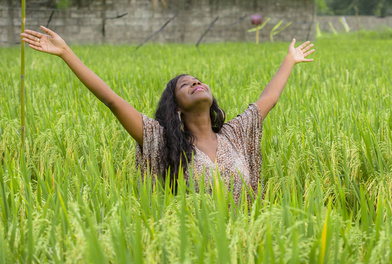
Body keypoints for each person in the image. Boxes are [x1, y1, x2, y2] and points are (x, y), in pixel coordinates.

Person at [21, 26, 315, 203]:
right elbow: (111, 100)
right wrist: (66, 53)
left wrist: (290, 59)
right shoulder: (163, 142)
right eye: (186, 85)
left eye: (198, 80)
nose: (196, 83)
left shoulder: (235, 134)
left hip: (246, 245)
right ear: (176, 107)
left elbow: (269, 99)